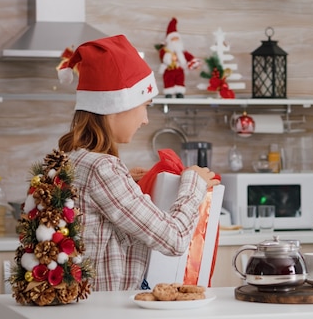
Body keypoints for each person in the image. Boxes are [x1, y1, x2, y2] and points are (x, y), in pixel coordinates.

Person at [56, 34, 219, 291]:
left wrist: (127, 183)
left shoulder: (73, 159)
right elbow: (174, 240)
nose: (145, 120)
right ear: (119, 106)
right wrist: (193, 184)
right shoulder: (102, 169)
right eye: (145, 106)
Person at [157, 17, 201, 98]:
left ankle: (179, 93)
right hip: (169, 69)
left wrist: (195, 64)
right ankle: (168, 93)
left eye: (177, 39)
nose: (175, 41)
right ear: (169, 41)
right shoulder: (165, 51)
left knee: (180, 80)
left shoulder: (182, 52)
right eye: (173, 39)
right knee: (168, 80)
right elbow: (162, 56)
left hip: (179, 70)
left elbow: (190, 57)